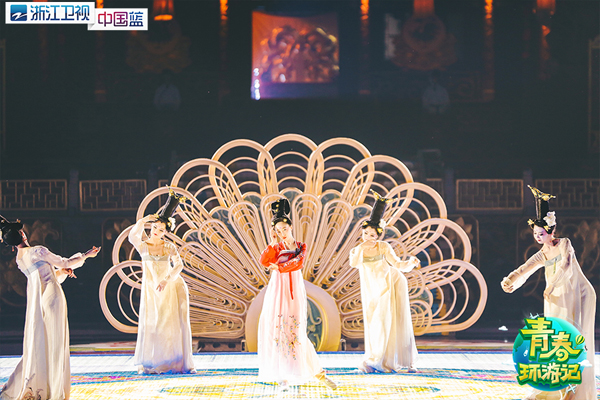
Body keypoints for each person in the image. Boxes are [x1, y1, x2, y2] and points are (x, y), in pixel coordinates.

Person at [501, 186, 597, 400]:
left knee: (572, 339)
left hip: (577, 295)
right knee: (555, 340)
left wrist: (552, 285)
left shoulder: (564, 244)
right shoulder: (543, 252)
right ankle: (555, 387)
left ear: (551, 231)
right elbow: (526, 268)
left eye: (541, 233)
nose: (537, 237)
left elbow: (566, 265)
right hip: (556, 297)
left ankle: (572, 390)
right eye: (535, 234)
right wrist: (510, 280)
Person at [0, 217, 100, 400]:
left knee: (43, 340)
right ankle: (54, 390)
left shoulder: (19, 260)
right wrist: (86, 255)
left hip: (41, 300)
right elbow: (65, 262)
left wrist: (60, 272)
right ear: (22, 234)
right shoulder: (38, 250)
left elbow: (43, 277)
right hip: (53, 297)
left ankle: (42, 387)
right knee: (55, 341)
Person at [258, 198, 336, 390]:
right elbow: (264, 260)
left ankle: (318, 373)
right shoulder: (277, 247)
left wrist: (280, 267)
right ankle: (282, 376)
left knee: (295, 331)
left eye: (284, 229)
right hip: (278, 289)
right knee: (277, 329)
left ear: (291, 227)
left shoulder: (300, 246)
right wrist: (272, 243)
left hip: (294, 289)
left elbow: (298, 263)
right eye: (278, 230)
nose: (282, 233)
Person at [349, 190, 420, 373]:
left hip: (388, 286)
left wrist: (410, 262)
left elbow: (398, 264)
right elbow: (354, 263)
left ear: (378, 236)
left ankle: (387, 360)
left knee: (386, 322)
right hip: (371, 290)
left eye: (372, 235)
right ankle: (374, 359)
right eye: (366, 233)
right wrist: (361, 248)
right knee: (374, 324)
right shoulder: (358, 250)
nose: (368, 238)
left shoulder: (383, 247)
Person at [128, 190, 195, 374]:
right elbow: (132, 237)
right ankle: (153, 361)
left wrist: (166, 279)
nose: (157, 231)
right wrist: (142, 221)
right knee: (153, 324)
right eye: (155, 227)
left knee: (169, 324)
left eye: (161, 230)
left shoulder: (168, 247)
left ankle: (173, 362)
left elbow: (179, 265)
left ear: (166, 232)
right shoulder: (143, 246)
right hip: (151, 290)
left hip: (170, 288)